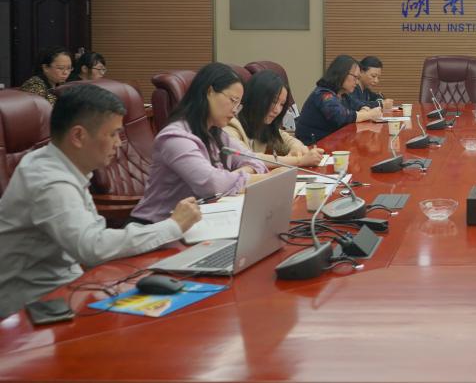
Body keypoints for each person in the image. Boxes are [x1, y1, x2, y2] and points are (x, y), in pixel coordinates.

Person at [0, 84, 201, 318]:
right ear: (78, 136)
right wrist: (172, 226)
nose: (119, 143)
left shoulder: (63, 164)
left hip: (71, 286)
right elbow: (92, 247)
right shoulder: (48, 181)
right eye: (113, 134)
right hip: (32, 309)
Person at [131, 62, 278, 223]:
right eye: (233, 100)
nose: (235, 110)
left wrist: (233, 177)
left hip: (199, 220)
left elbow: (256, 161)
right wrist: (267, 178)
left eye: (238, 104)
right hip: (157, 225)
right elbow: (211, 184)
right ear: (209, 92)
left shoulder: (216, 134)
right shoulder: (175, 138)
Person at [224, 70, 322, 167]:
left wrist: (297, 147)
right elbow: (248, 158)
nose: (277, 110)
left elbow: (286, 139)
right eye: (274, 101)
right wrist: (298, 161)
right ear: (257, 97)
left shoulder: (262, 124)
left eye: (282, 104)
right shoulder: (229, 125)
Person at [295, 55, 383, 144]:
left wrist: (364, 109)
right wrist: (368, 115)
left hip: (332, 143)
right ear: (342, 74)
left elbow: (359, 105)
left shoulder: (342, 94)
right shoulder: (323, 94)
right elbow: (341, 117)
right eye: (355, 77)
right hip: (313, 146)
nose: (357, 82)